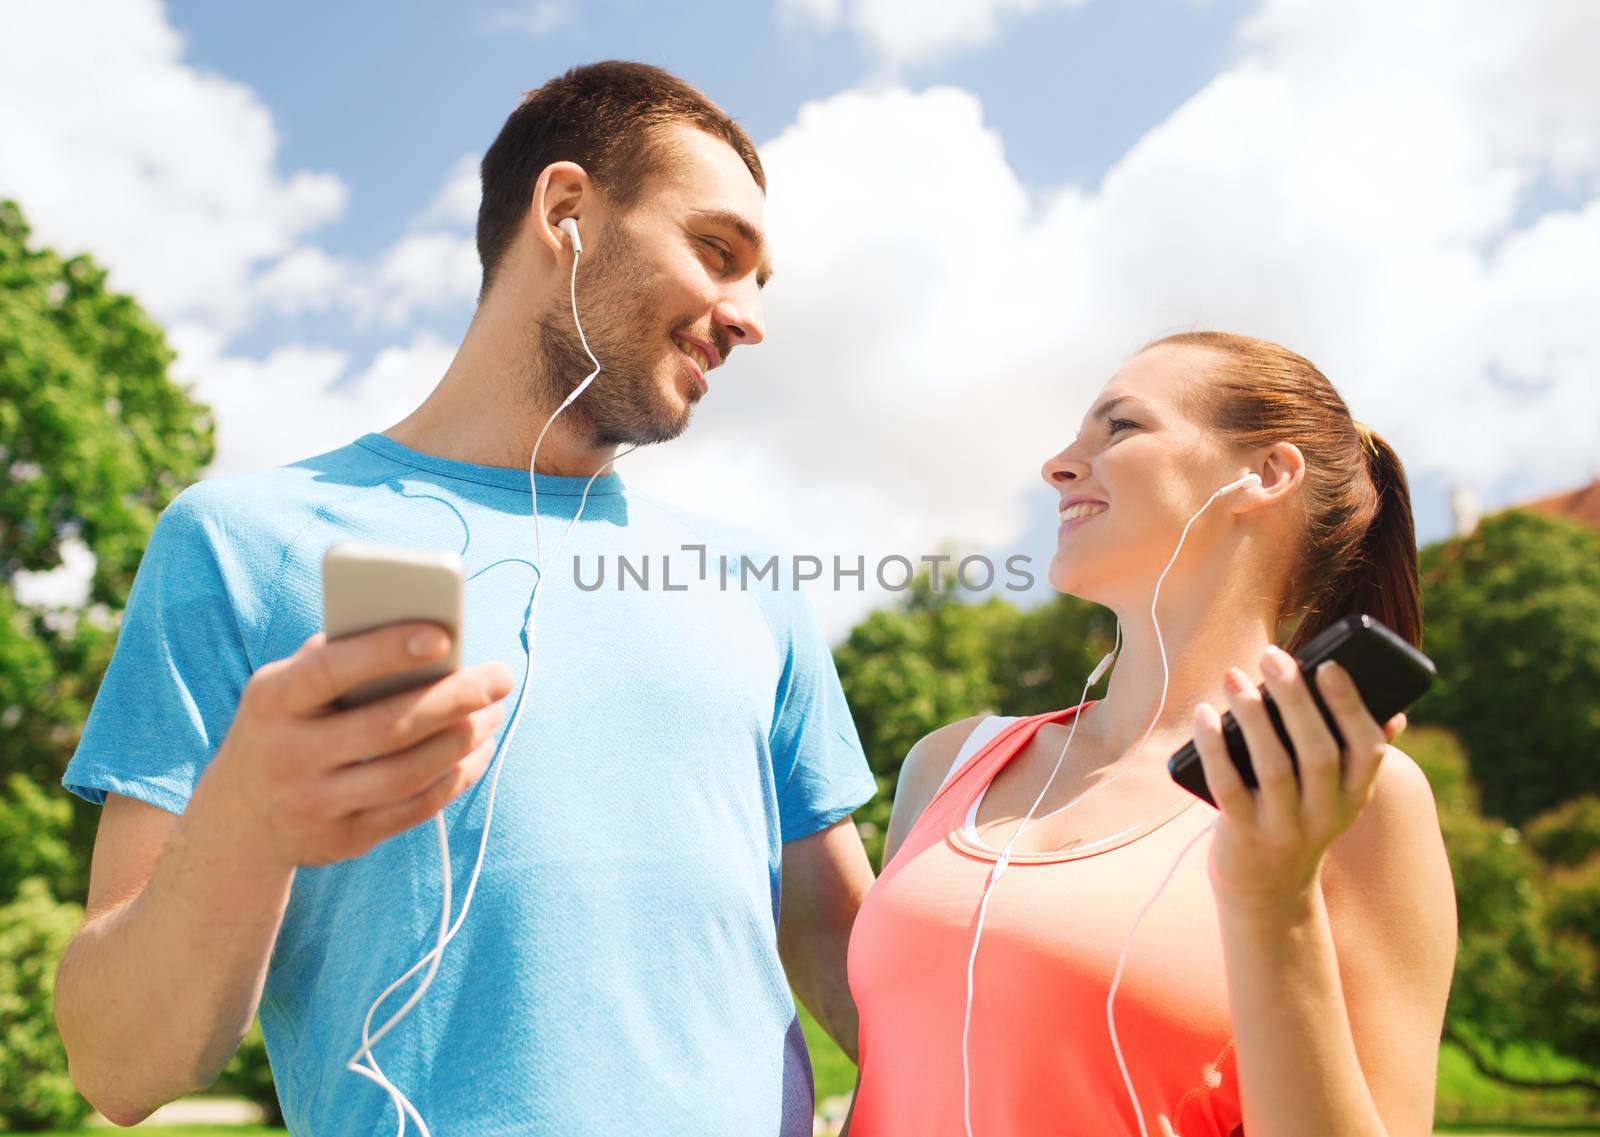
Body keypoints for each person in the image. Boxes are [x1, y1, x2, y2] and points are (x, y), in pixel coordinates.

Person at [54, 61, 877, 1136]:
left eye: (763, 280)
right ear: (567, 211)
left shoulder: (750, 580)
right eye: (719, 253)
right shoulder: (242, 544)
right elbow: (118, 1069)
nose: (749, 317)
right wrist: (250, 819)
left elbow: (839, 947)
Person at [845, 332, 1457, 1136]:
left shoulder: (1351, 790)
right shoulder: (950, 762)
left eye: (1120, 427)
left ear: (1263, 475)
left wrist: (1274, 899)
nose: (1058, 464)